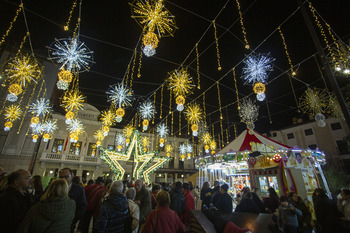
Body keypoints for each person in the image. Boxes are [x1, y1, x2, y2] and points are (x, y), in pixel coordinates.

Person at [59, 168, 87, 233]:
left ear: (72, 176)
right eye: (61, 177)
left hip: (69, 223)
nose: (63, 179)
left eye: (66, 176)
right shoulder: (54, 187)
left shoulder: (79, 189)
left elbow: (82, 206)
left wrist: (73, 220)